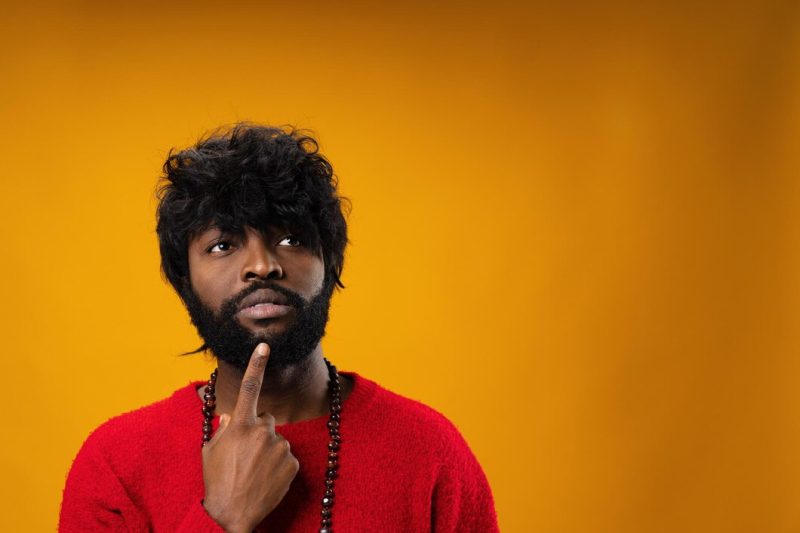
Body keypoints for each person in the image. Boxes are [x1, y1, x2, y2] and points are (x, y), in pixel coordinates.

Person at [59, 124, 498, 532]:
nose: (262, 266)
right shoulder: (117, 464)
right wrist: (224, 516)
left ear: (330, 263)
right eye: (223, 245)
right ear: (183, 280)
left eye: (291, 239)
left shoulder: (430, 452)